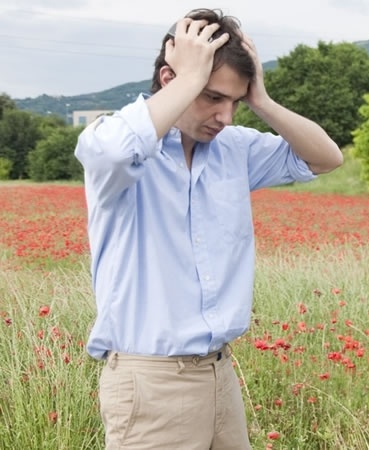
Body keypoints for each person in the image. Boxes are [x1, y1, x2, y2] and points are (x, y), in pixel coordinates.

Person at [74, 8, 342, 449]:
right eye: (212, 97)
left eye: (235, 102)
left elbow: (324, 158)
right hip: (151, 383)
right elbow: (115, 152)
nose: (226, 117)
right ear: (169, 79)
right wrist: (189, 79)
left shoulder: (233, 149)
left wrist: (263, 101)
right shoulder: (116, 145)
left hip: (219, 374)